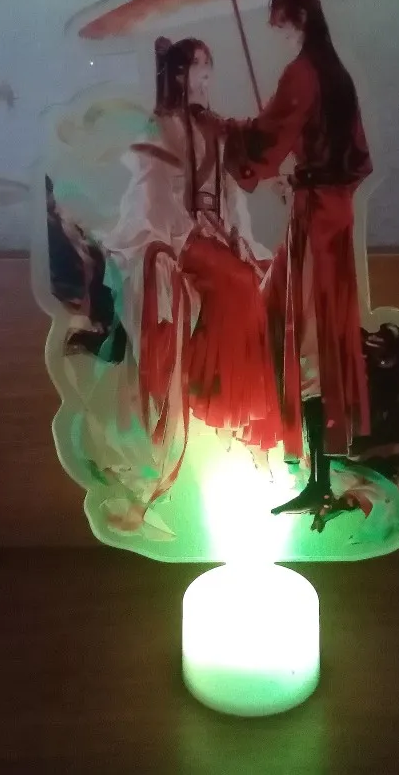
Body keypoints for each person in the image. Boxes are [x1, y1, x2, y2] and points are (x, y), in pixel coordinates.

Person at [193, 0, 372, 531]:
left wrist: (225, 128)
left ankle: (319, 480)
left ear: (298, 20)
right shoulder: (336, 74)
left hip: (317, 221)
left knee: (303, 334)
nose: (278, 33)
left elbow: (267, 138)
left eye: (281, 24)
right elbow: (352, 156)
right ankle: (318, 472)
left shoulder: (304, 74)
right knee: (311, 329)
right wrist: (303, 174)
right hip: (332, 215)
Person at [102, 36, 281, 513]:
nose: (202, 74)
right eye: (193, 66)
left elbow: (233, 190)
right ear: (177, 75)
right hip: (175, 233)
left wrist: (236, 232)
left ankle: (245, 420)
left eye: (206, 65)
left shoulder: (215, 127)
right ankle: (218, 405)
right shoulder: (158, 126)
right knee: (236, 282)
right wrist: (189, 233)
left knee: (259, 278)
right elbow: (154, 196)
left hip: (216, 230)